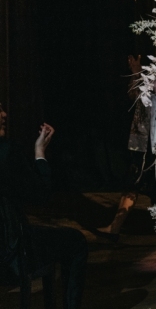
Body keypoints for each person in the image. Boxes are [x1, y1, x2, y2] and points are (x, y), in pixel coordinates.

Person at [95, 55, 156, 247]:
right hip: (145, 138)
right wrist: (136, 72)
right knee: (134, 181)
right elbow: (133, 96)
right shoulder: (148, 73)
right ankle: (115, 227)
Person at [0, 103, 88, 309]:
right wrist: (40, 153)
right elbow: (41, 195)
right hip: (10, 254)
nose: (4, 114)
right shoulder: (7, 152)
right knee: (76, 242)